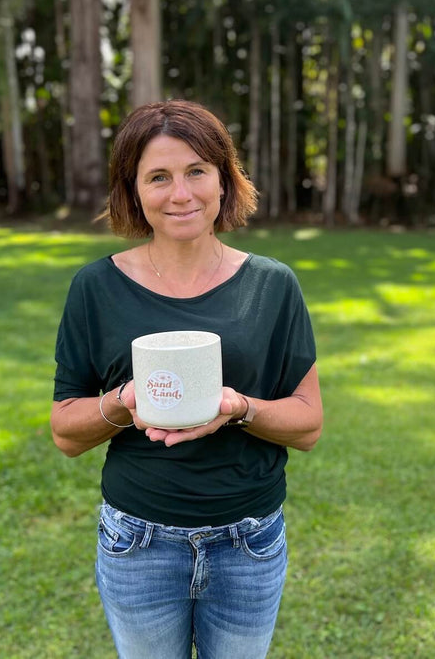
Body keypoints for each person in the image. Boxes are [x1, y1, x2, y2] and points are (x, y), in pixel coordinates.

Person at [50, 99, 323, 659]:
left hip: (248, 543)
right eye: (159, 177)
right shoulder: (95, 289)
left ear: (224, 180)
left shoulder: (272, 286)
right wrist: (125, 402)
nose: (181, 194)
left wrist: (240, 407)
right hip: (138, 545)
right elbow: (64, 433)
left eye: (197, 171)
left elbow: (309, 423)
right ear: (133, 192)